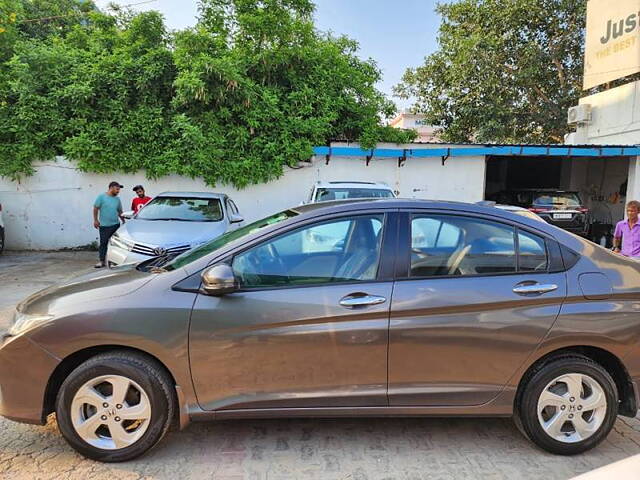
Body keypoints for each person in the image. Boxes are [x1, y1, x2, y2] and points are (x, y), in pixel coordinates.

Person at [93, 181, 124, 268]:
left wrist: (124, 221)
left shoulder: (117, 199)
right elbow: (95, 208)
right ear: (111, 188)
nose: (118, 191)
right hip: (104, 226)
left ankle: (116, 261)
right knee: (103, 243)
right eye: (117, 189)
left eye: (119, 189)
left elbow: (120, 211)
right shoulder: (101, 197)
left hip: (116, 225)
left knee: (117, 244)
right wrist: (95, 220)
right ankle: (102, 261)